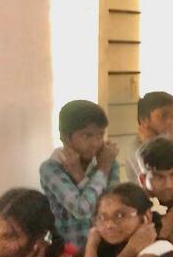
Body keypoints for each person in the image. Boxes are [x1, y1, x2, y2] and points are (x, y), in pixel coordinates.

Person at [40, 99, 120, 248]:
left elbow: (113, 208)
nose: (96, 143)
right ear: (65, 137)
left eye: (100, 135)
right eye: (87, 136)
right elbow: (82, 210)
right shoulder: (51, 168)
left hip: (107, 247)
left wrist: (80, 177)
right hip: (70, 252)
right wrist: (102, 170)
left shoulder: (108, 160)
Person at [120, 91, 173, 184]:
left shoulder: (171, 141)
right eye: (164, 116)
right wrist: (151, 145)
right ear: (144, 119)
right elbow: (156, 183)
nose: (171, 121)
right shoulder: (135, 146)